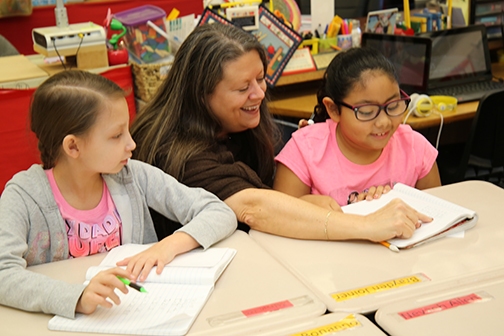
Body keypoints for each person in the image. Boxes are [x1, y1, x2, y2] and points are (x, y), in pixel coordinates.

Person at [131, 24, 432, 247]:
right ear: (200, 95)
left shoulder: (239, 124)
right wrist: (365, 224)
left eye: (261, 79)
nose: (259, 94)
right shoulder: (177, 151)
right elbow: (253, 208)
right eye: (242, 88)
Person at [0, 70, 236, 318]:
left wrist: (166, 247)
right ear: (73, 146)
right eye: (116, 135)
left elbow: (218, 211)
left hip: (133, 314)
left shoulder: (133, 175)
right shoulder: (23, 196)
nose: (131, 144)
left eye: (127, 131)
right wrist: (76, 297)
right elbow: (3, 273)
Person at [274, 47, 441, 206]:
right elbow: (278, 221)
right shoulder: (304, 151)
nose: (384, 122)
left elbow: (439, 217)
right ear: (333, 109)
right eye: (367, 112)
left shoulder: (415, 149)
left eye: (393, 106)